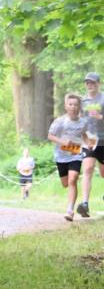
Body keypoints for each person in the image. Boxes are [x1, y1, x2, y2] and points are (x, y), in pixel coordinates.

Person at [47, 93, 94, 221]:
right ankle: (70, 201)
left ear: (79, 107)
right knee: (66, 183)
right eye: (70, 104)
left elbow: (83, 134)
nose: (73, 107)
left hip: (75, 154)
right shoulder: (60, 121)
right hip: (61, 156)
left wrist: (88, 143)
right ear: (66, 106)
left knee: (73, 179)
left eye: (76, 105)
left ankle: (70, 211)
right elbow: (50, 136)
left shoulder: (83, 122)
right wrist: (62, 142)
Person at [78, 72, 104, 217]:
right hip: (89, 140)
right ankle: (85, 204)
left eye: (92, 82)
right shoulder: (83, 101)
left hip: (103, 139)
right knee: (87, 169)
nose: (89, 85)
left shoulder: (103, 98)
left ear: (98, 83)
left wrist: (101, 117)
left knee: (103, 173)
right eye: (87, 82)